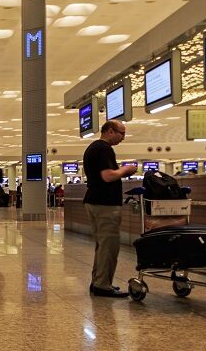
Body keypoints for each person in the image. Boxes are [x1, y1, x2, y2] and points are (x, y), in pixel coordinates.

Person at [83, 120, 138, 298]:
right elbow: (108, 176)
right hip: (104, 204)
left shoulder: (93, 148)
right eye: (121, 133)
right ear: (110, 131)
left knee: (102, 245)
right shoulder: (103, 149)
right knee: (109, 246)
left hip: (95, 201)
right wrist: (126, 169)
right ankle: (102, 285)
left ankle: (98, 281)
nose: (123, 137)